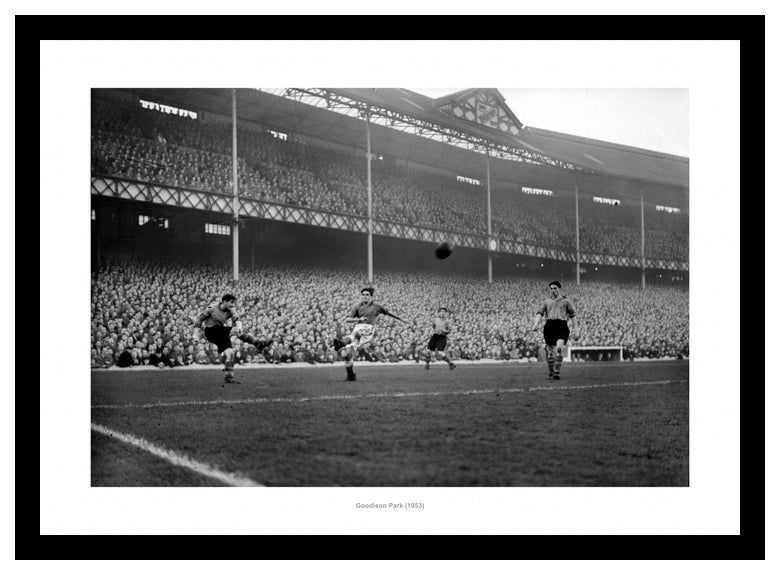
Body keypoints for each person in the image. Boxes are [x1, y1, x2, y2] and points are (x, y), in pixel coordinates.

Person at [192, 294, 274, 385]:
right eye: (231, 303)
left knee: (230, 353)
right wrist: (196, 334)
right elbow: (198, 321)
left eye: (234, 303)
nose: (233, 305)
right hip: (211, 331)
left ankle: (228, 378)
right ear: (224, 302)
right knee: (235, 330)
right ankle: (259, 344)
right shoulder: (212, 308)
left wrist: (239, 326)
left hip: (221, 333)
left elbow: (237, 320)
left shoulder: (231, 310)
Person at [332, 287, 405, 381]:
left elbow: (388, 313)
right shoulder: (356, 306)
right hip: (358, 327)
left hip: (369, 329)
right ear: (361, 296)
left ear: (371, 297)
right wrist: (358, 319)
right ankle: (351, 375)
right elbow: (347, 319)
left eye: (367, 295)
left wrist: (401, 319)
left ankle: (341, 343)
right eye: (363, 295)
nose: (365, 296)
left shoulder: (377, 306)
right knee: (347, 353)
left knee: (356, 334)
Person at [532, 280, 578, 380]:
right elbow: (539, 313)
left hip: (561, 326)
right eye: (551, 289)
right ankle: (551, 372)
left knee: (559, 348)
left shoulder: (566, 301)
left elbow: (573, 316)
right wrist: (536, 324)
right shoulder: (546, 301)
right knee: (551, 354)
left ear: (559, 289)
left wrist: (576, 330)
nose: (553, 290)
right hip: (549, 326)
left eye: (555, 288)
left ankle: (557, 372)